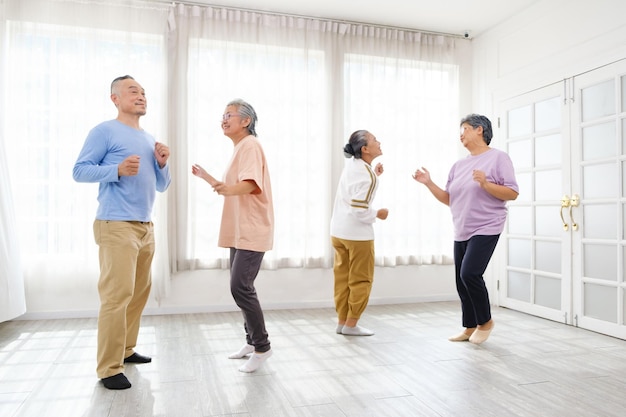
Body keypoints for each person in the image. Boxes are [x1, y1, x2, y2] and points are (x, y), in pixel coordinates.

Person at [73, 75, 171, 389]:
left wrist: (163, 163)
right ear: (115, 98)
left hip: (145, 226)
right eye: (133, 91)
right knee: (116, 297)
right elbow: (80, 170)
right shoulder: (104, 131)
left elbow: (161, 185)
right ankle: (108, 369)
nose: (141, 95)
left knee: (138, 295)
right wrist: (115, 170)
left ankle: (126, 351)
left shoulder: (148, 137)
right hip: (115, 225)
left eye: (143, 91)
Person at [412, 114, 518, 344]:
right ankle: (469, 326)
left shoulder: (499, 158)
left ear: (480, 130)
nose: (461, 134)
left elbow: (512, 193)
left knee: (470, 273)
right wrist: (429, 183)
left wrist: (486, 184)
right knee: (461, 281)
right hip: (461, 227)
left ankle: (486, 322)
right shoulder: (459, 165)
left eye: (465, 128)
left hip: (487, 225)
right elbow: (449, 199)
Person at [191, 99, 274, 373]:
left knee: (240, 287)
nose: (223, 120)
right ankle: (251, 342)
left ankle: (262, 347)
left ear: (246, 121)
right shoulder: (241, 148)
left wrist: (225, 189)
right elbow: (231, 186)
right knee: (241, 286)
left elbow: (249, 185)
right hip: (241, 230)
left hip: (252, 229)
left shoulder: (250, 145)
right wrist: (208, 178)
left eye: (229, 115)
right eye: (222, 115)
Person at [330, 130, 388, 336]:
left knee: (342, 279)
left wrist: (374, 174)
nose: (379, 141)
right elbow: (359, 208)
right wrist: (378, 214)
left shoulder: (353, 166)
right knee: (361, 280)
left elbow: (356, 188)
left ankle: (342, 322)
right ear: (365, 149)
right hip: (357, 237)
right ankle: (352, 325)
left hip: (338, 232)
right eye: (374, 140)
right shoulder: (367, 175)